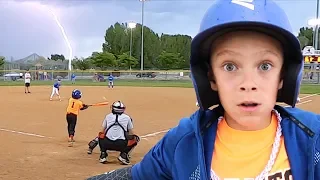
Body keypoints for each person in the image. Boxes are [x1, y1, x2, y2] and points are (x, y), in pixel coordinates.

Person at [86, 0, 320, 179]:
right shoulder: (184, 141)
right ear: (211, 77)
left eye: (265, 66)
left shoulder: (313, 137)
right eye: (230, 66)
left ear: (282, 76)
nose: (248, 83)